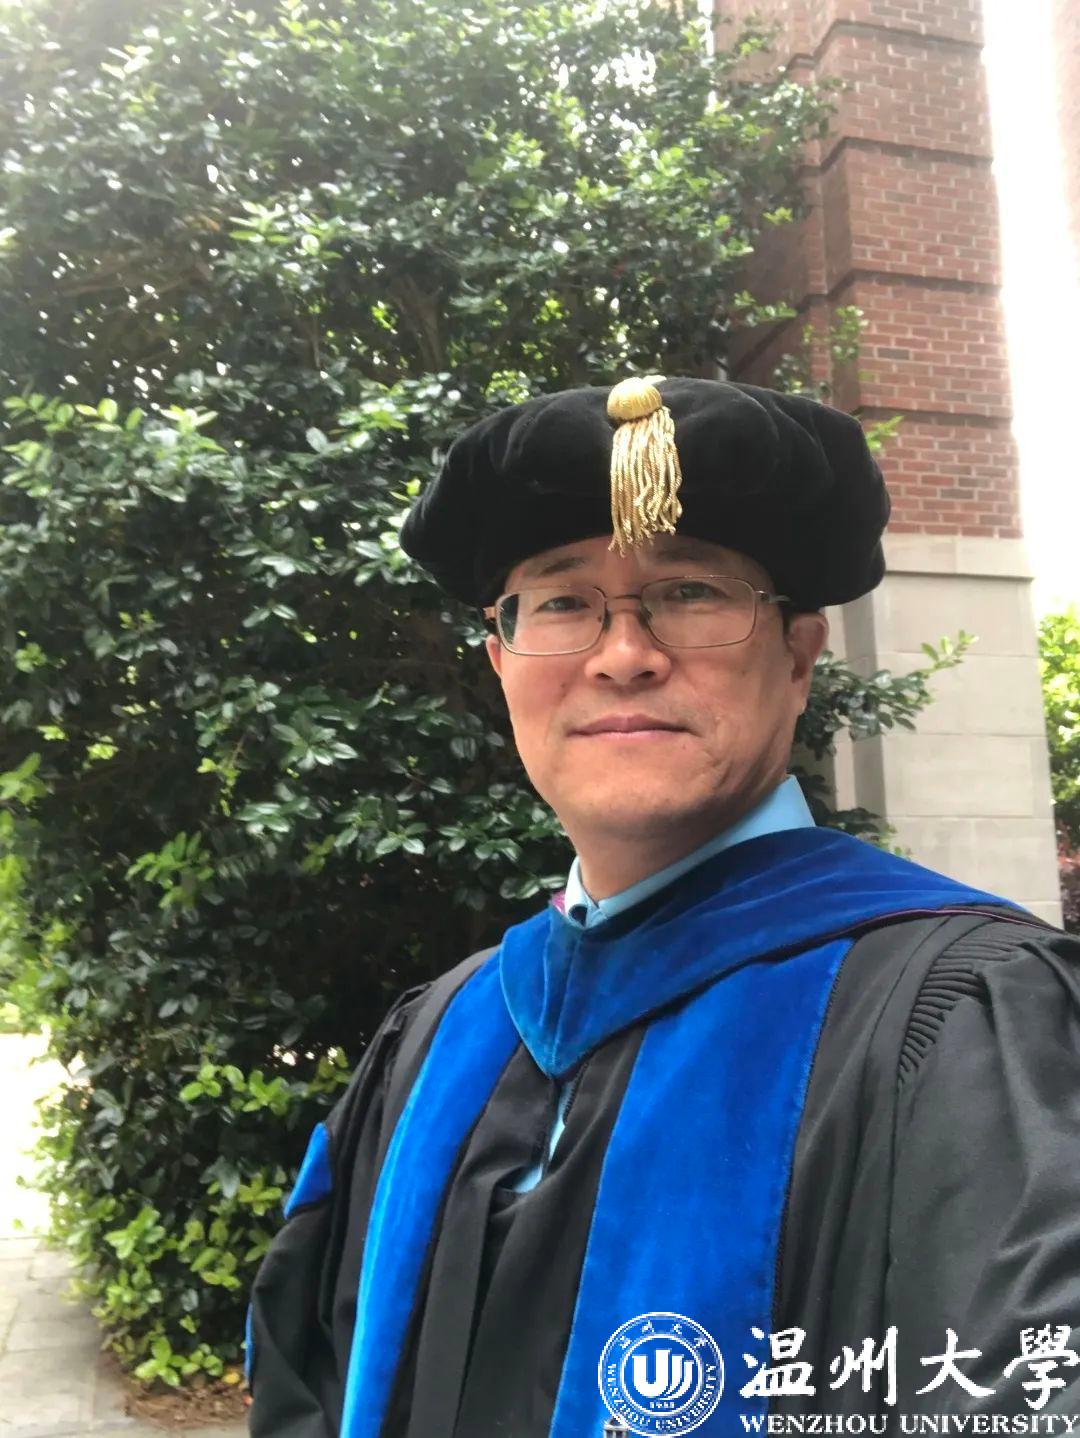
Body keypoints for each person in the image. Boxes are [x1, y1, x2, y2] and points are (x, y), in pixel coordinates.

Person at [245, 377, 1080, 1437]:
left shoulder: (968, 1017)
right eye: (562, 602)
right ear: (502, 663)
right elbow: (304, 1378)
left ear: (797, 655)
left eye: (690, 592)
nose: (624, 655)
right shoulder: (442, 1029)